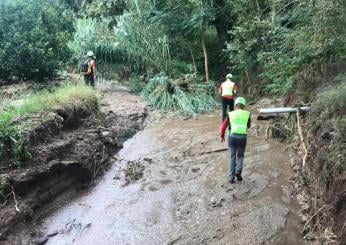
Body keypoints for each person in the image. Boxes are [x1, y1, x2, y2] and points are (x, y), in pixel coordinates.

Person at [220, 97, 251, 184]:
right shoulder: (247, 114)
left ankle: (231, 178)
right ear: (244, 106)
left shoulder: (230, 114)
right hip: (242, 138)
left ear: (235, 105)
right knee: (240, 156)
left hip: (232, 137)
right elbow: (248, 126)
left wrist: (222, 136)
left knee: (232, 156)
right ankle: (238, 172)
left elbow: (223, 126)